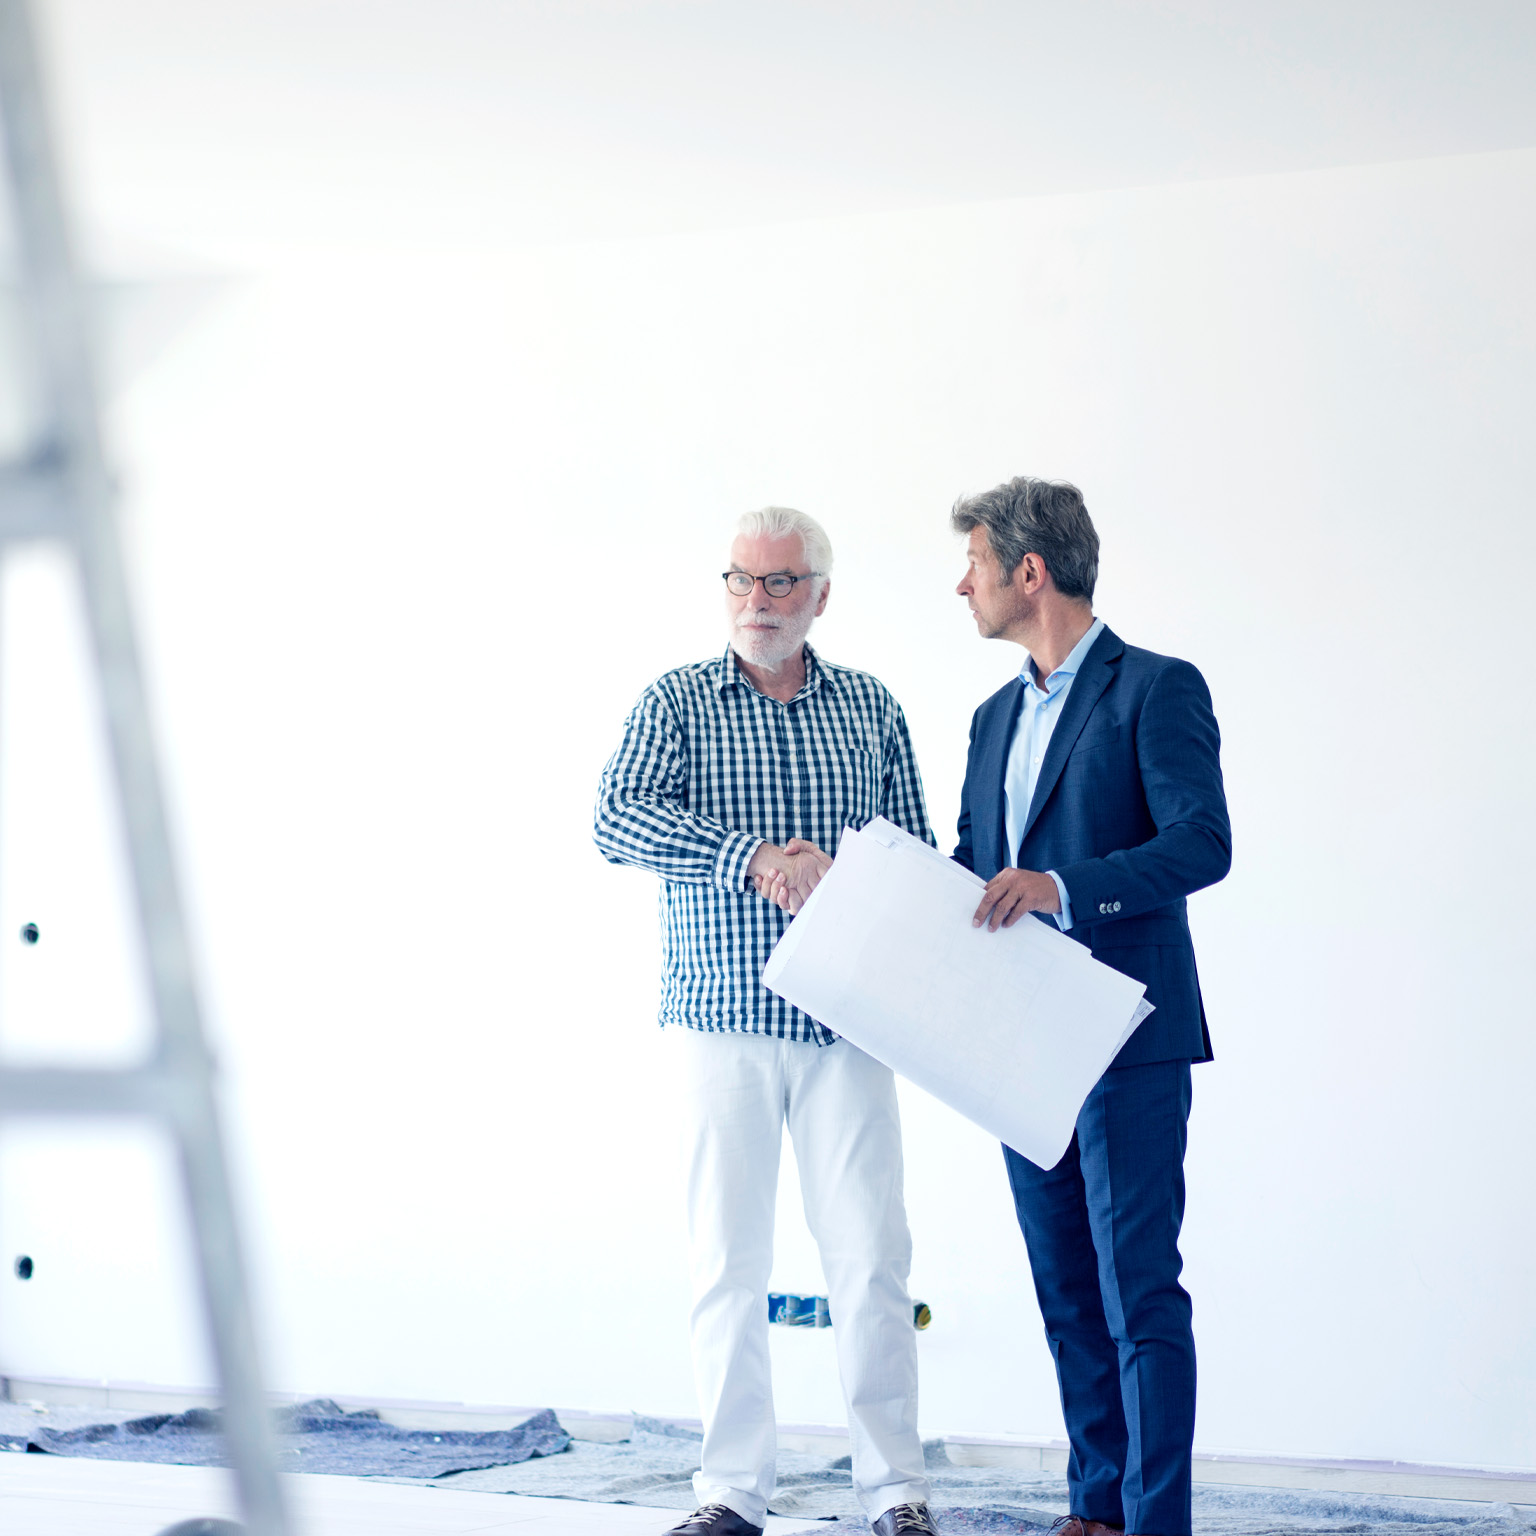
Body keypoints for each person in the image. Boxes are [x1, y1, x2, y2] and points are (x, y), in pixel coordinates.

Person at [594, 506, 940, 1536]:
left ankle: (896, 1491)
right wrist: (753, 856)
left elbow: (913, 851)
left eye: (782, 583)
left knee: (872, 1262)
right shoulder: (677, 701)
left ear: (821, 596)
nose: (758, 600)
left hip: (848, 1025)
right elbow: (617, 817)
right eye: (742, 581)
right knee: (728, 1263)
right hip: (722, 1014)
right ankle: (731, 1491)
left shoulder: (871, 708)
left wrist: (850, 874)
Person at [952, 477, 1231, 1536]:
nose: (962, 586)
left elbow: (1202, 843)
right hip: (1021, 1045)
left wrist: (1065, 887)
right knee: (1067, 1291)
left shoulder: (1157, 688)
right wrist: (869, 887)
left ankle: (1158, 1523)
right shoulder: (989, 720)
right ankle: (1097, 1510)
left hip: (1128, 1035)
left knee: (1137, 1292)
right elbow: (977, 872)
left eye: (973, 564)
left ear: (1030, 573)